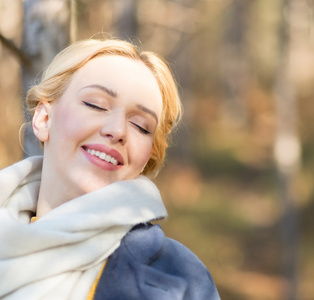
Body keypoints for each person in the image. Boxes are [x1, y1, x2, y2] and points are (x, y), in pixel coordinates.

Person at [0, 39, 220, 300]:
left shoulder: (180, 278)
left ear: (148, 156)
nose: (117, 130)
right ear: (44, 119)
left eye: (141, 126)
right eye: (96, 105)